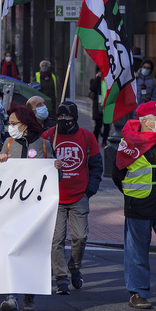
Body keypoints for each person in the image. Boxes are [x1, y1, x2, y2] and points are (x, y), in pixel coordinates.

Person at [0, 105, 59, 311]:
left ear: (26, 123)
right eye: (9, 123)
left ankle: (29, 297)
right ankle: (11, 296)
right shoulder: (8, 143)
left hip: (36, 211)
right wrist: (0, 163)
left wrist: (56, 169)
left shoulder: (44, 145)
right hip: (12, 208)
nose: (10, 127)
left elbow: (54, 180)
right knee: (11, 250)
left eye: (14, 123)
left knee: (32, 252)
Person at [43, 100, 103, 295]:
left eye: (67, 116)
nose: (63, 120)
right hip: (56, 198)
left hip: (79, 197)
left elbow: (96, 166)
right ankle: (61, 278)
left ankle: (74, 267)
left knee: (80, 237)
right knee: (56, 240)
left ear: (75, 118)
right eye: (60, 116)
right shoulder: (49, 136)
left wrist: (89, 191)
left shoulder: (87, 137)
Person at [113, 101, 156, 309]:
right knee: (137, 251)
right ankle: (137, 293)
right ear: (146, 121)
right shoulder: (130, 143)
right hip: (139, 204)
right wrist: (132, 194)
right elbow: (117, 174)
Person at [89, 67, 110, 146]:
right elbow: (92, 88)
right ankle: (95, 141)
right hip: (97, 106)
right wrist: (98, 78)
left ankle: (104, 142)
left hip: (106, 105)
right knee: (98, 125)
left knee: (107, 125)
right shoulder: (94, 80)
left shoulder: (108, 81)